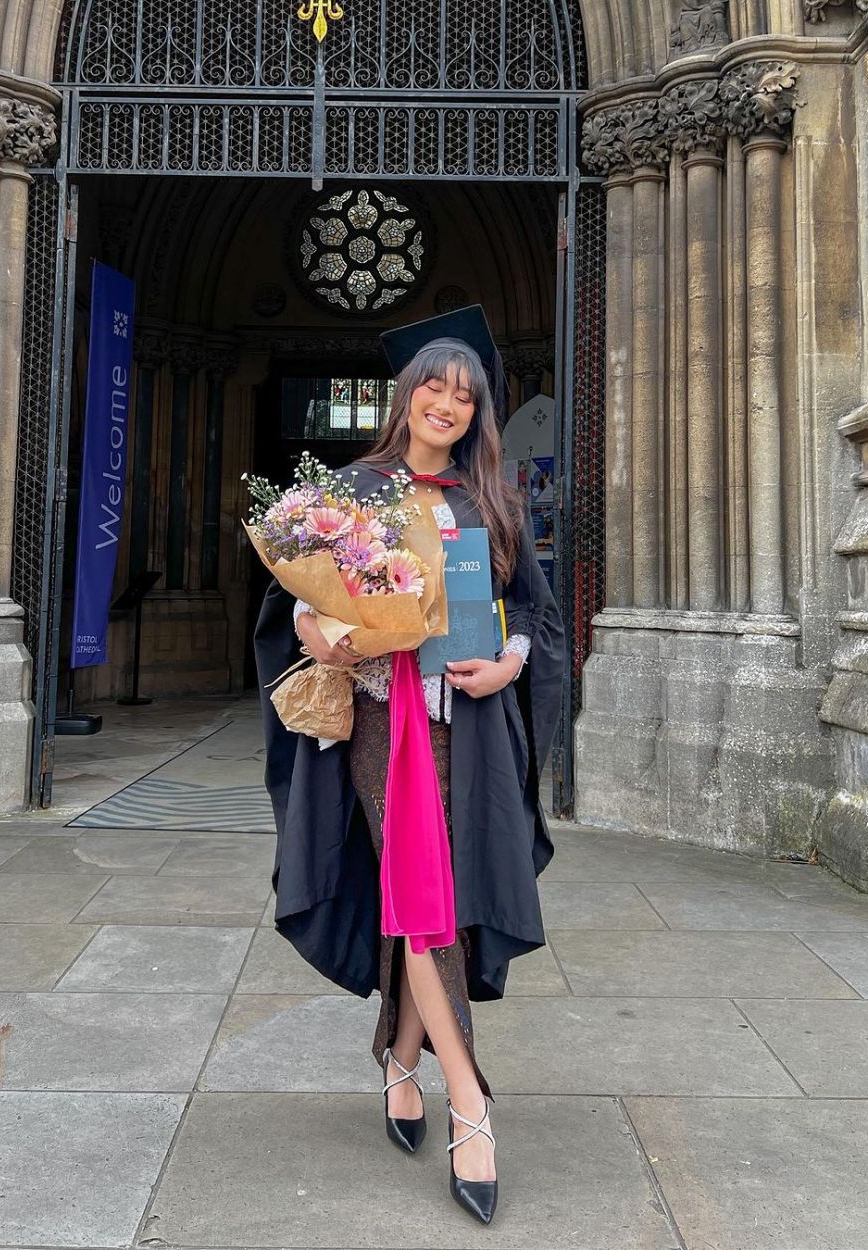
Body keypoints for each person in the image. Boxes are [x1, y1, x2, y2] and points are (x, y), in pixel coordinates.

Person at [254, 306, 565, 1226]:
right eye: (434, 386)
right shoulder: (351, 491)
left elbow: (532, 621)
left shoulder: (490, 501)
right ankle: (469, 1100)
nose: (447, 404)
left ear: (479, 414)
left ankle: (399, 1053)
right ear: (406, 393)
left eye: (465, 396)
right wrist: (329, 631)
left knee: (440, 895)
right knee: (423, 891)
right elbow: (293, 617)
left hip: (466, 726)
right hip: (382, 730)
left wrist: (507, 665)